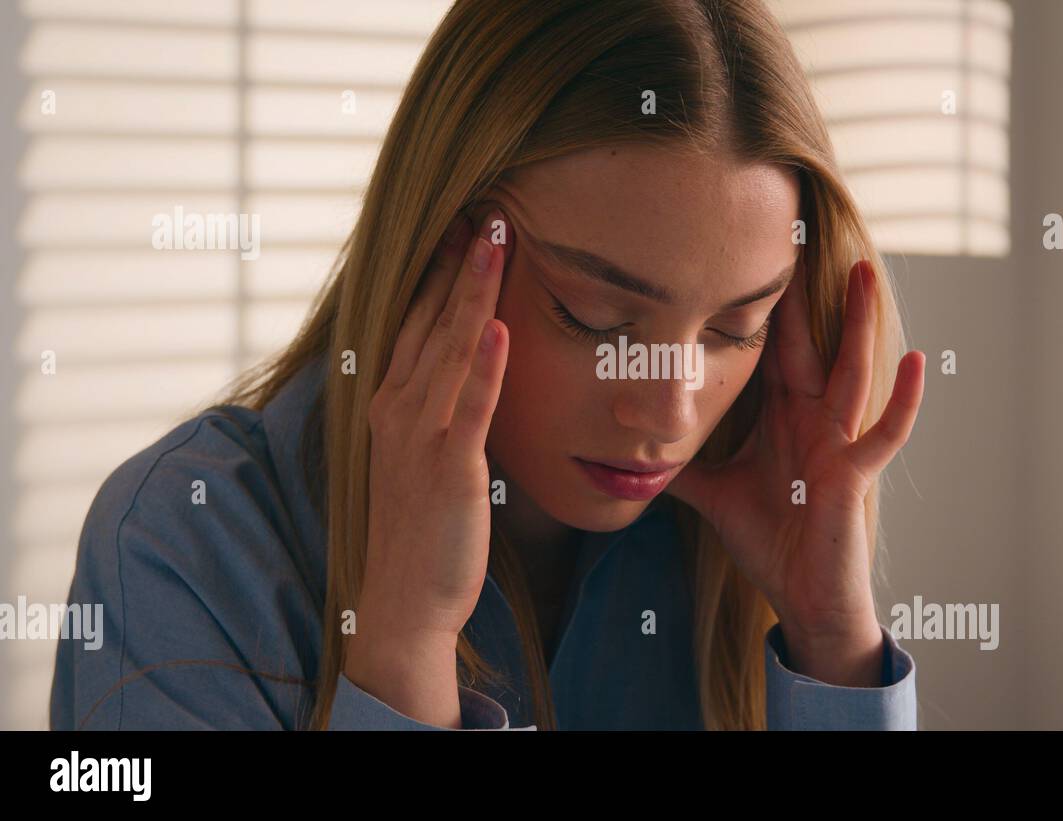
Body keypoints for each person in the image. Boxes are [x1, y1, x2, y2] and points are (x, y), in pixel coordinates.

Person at [50, 0, 926, 730]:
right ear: (439, 246)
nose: (670, 415)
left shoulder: (716, 547)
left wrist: (830, 636)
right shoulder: (182, 549)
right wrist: (402, 649)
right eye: (598, 318)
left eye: (737, 328)